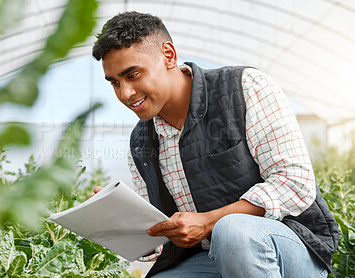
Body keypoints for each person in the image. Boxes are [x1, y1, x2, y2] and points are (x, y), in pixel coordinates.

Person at [91, 11, 338, 278]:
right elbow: (154, 246)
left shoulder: (244, 88)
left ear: (169, 55)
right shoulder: (141, 142)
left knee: (233, 232)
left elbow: (295, 182)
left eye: (133, 75)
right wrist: (116, 220)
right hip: (210, 260)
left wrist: (209, 222)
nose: (125, 93)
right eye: (115, 83)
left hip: (288, 248)